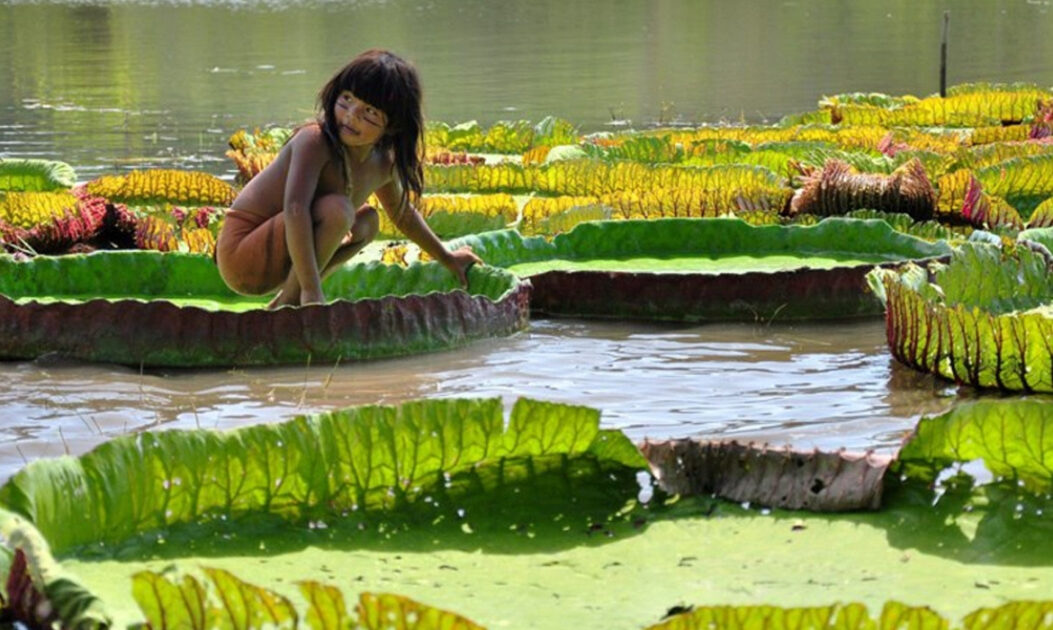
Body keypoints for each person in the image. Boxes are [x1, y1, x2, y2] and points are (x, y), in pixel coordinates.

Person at [216, 49, 481, 308]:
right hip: (241, 257)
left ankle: (286, 301)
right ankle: (296, 299)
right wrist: (311, 290)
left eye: (369, 112)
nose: (352, 115)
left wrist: (447, 257)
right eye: (347, 99)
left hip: (285, 259)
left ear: (393, 125)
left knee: (368, 222)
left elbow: (403, 216)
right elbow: (295, 208)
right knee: (339, 210)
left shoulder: (383, 164)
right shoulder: (314, 141)